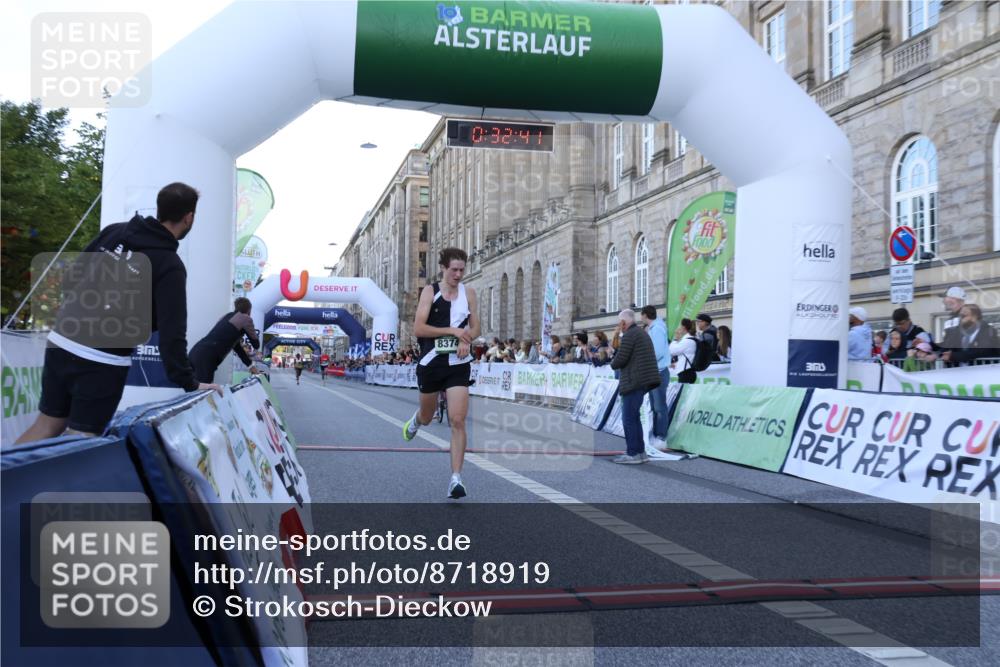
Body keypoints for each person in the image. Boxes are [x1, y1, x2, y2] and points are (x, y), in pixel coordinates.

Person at [16, 182, 221, 444]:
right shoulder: (170, 265)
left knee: (46, 425)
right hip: (101, 360)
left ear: (159, 208)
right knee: (81, 440)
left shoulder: (114, 232)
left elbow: (70, 279)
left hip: (61, 342)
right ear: (189, 217)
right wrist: (189, 382)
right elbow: (173, 334)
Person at [402, 247, 481, 499]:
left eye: (461, 270)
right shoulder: (430, 291)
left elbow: (476, 328)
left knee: (457, 420)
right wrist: (453, 332)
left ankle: (456, 478)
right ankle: (417, 421)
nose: (458, 275)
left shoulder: (469, 293)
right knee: (428, 416)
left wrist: (466, 338)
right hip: (431, 363)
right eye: (454, 270)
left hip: (458, 364)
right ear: (444, 268)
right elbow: (419, 328)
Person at [609, 309, 661, 464]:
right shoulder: (640, 333)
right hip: (642, 380)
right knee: (634, 417)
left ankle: (633, 453)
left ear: (623, 322)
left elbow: (620, 360)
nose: (619, 325)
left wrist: (612, 358)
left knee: (629, 419)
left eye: (619, 322)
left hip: (634, 381)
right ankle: (640, 452)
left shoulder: (630, 335)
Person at [189, 297, 261, 383]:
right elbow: (256, 344)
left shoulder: (226, 316)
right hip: (206, 357)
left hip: (195, 352)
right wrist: (250, 329)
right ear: (249, 310)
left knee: (194, 388)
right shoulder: (245, 318)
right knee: (204, 389)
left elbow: (237, 348)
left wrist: (250, 366)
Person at [639, 306, 670, 451]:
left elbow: (657, 352)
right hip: (654, 371)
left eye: (641, 315)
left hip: (658, 371)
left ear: (645, 315)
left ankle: (661, 438)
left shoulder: (657, 328)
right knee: (655, 407)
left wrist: (643, 359)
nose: (640, 318)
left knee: (659, 407)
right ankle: (657, 435)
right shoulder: (654, 328)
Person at [669, 318, 699, 384]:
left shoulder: (687, 341)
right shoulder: (692, 339)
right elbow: (685, 356)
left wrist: (676, 339)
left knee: (684, 390)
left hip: (686, 372)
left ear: (683, 327)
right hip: (688, 371)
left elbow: (671, 351)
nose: (678, 328)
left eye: (680, 326)